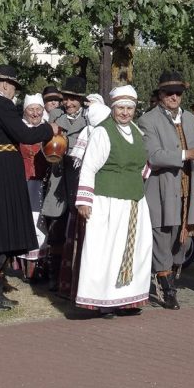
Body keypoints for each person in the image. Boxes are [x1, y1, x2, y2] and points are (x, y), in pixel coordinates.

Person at [0, 65, 58, 311]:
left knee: (2, 233)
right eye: (14, 88)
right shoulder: (0, 104)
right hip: (2, 177)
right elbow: (24, 135)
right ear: (6, 85)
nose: (14, 93)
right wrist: (49, 129)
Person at [72, 86, 153, 316]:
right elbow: (89, 167)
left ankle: (126, 299)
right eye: (121, 108)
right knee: (106, 251)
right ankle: (103, 301)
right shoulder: (103, 132)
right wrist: (84, 201)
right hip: (107, 201)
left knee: (134, 250)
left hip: (134, 202)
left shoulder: (136, 131)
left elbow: (141, 163)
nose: (125, 113)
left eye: (129, 108)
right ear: (113, 109)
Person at [137, 70, 194, 310]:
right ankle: (167, 289)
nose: (174, 97)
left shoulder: (190, 119)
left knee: (182, 242)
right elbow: (154, 156)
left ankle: (168, 276)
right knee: (162, 237)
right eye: (169, 93)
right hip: (162, 188)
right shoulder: (148, 120)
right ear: (160, 94)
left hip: (187, 189)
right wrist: (185, 154)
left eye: (178, 93)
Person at [42, 76, 88, 294]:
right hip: (58, 176)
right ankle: (54, 275)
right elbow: (45, 144)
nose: (69, 103)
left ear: (81, 100)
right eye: (66, 99)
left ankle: (78, 276)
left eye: (73, 99)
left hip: (80, 177)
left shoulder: (89, 118)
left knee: (81, 227)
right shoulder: (55, 116)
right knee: (57, 226)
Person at [16, 96, 50, 280]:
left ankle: (39, 267)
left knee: (41, 224)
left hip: (44, 183)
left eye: (39, 109)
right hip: (22, 182)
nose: (35, 113)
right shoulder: (17, 129)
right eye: (31, 109)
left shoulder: (49, 129)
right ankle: (23, 267)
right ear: (25, 111)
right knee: (25, 221)